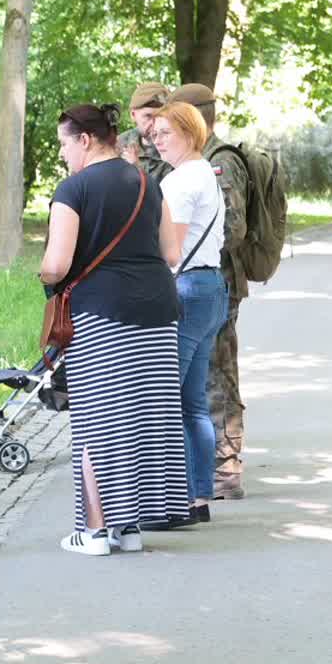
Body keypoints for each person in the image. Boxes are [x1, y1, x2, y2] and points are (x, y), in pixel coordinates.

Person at [39, 103, 188, 556]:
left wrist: (44, 276)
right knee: (144, 418)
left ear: (84, 140)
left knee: (97, 419)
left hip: (102, 315)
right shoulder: (147, 183)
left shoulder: (73, 189)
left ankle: (96, 532)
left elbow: (57, 264)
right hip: (158, 312)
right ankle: (130, 529)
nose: (62, 153)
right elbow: (171, 253)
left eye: (64, 143)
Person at [169, 83, 250, 500]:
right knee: (198, 390)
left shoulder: (218, 162)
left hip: (212, 281)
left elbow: (234, 228)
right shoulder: (197, 164)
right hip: (206, 280)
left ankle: (226, 465)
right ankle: (205, 479)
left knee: (217, 379)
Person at [152, 101, 228, 520]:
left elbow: (171, 249)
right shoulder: (206, 174)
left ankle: (169, 500)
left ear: (189, 131)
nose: (157, 140)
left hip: (187, 289)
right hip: (211, 286)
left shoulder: (181, 181)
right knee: (191, 402)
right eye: (155, 133)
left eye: (165, 132)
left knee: (164, 398)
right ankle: (197, 498)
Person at [118, 82, 172, 180]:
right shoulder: (119, 145)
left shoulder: (175, 146)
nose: (154, 123)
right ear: (133, 115)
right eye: (148, 116)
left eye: (161, 116)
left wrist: (137, 170)